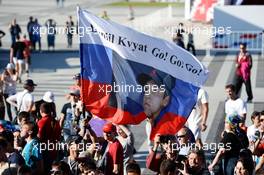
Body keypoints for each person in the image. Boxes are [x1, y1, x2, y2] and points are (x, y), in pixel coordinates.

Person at [38, 102, 61, 173]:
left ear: (41, 111)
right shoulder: (55, 121)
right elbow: (59, 136)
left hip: (45, 149)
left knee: (46, 169)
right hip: (55, 149)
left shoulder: (41, 122)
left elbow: (40, 136)